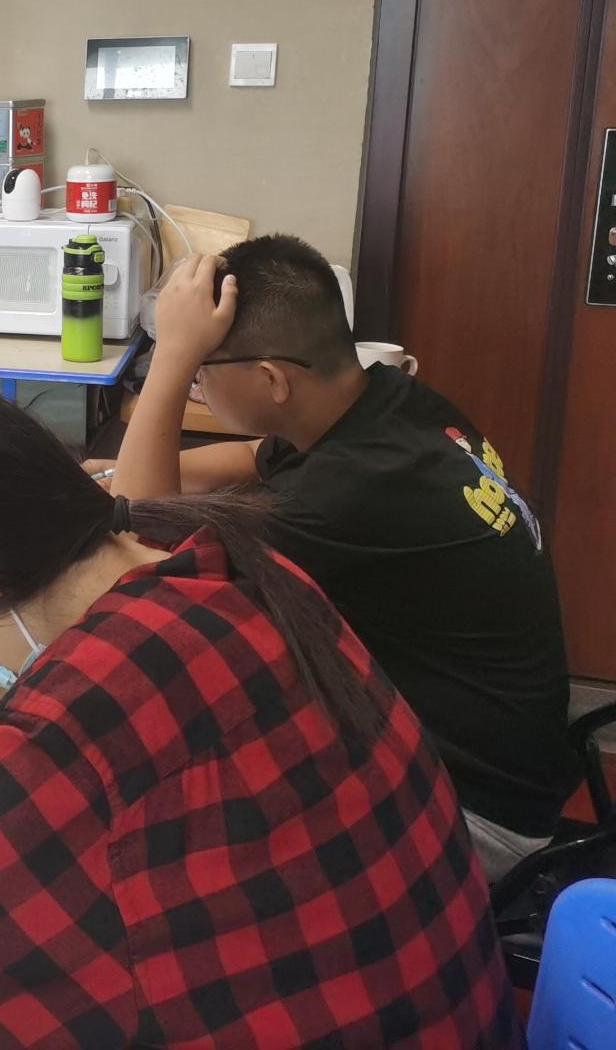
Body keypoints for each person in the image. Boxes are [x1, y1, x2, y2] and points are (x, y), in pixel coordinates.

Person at [0, 381, 515, 1048]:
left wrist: (21, 734)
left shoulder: (86, 717)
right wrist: (34, 698)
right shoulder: (226, 564)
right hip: (454, 1007)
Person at [101, 235, 574, 880]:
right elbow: (249, 458)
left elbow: (148, 560)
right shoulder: (387, 403)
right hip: (509, 752)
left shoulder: (344, 494)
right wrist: (114, 472)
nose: (197, 391)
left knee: (178, 767)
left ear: (271, 379)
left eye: (200, 376)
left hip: (478, 812)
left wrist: (170, 364)